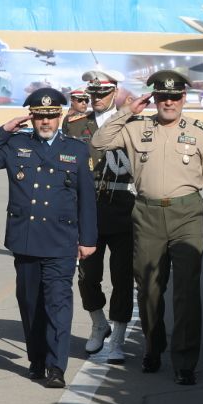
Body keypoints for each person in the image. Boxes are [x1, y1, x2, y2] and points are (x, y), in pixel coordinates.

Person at [90, 69, 203, 385]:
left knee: (187, 291)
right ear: (154, 98)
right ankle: (153, 347)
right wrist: (128, 111)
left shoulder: (199, 133)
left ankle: (185, 360)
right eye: (162, 96)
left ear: (183, 99)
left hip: (188, 214)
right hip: (148, 214)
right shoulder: (137, 129)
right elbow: (99, 141)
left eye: (175, 96)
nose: (169, 102)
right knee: (149, 290)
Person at [0, 87, 96, 389]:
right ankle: (37, 359)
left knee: (58, 303)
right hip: (26, 239)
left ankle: (56, 367)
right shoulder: (17, 144)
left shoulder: (77, 149)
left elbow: (87, 198)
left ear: (60, 116)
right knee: (30, 304)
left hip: (60, 240)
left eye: (51, 116)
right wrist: (4, 130)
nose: (45, 122)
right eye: (40, 117)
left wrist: (88, 238)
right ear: (32, 118)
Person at [65, 69, 137, 363]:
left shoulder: (133, 123)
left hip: (124, 206)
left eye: (103, 93)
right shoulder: (75, 125)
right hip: (89, 209)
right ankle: (98, 323)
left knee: (122, 277)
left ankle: (118, 337)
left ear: (114, 92)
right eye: (92, 94)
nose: (96, 99)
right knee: (87, 276)